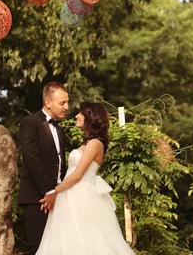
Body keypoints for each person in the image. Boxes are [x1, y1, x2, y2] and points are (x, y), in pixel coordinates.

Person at [36, 102, 135, 255]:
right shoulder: (88, 143)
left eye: (80, 113)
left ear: (90, 117)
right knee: (66, 238)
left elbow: (77, 175)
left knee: (85, 239)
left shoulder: (95, 144)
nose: (76, 116)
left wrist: (53, 192)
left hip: (80, 195)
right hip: (70, 194)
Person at [18, 82, 70, 255]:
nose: (66, 107)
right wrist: (48, 191)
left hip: (57, 196)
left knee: (56, 248)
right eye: (62, 103)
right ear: (48, 102)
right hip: (36, 197)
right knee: (39, 247)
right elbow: (31, 158)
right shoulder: (29, 123)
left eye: (67, 102)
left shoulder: (59, 129)